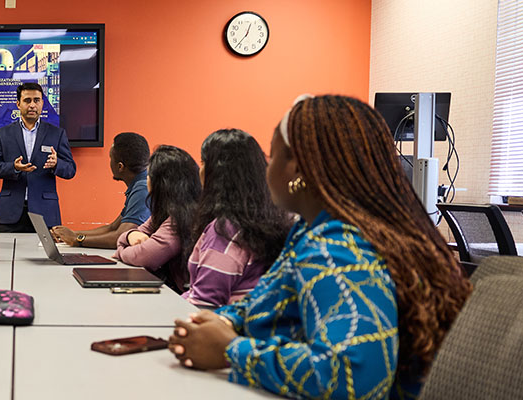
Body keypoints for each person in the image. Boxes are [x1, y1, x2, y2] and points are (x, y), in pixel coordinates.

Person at [167, 95, 471, 398]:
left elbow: (353, 378)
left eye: (272, 156)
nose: (266, 169)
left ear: (297, 170)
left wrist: (232, 350)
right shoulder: (311, 230)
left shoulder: (338, 247)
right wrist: (224, 321)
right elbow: (269, 300)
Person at [179, 129, 291, 307]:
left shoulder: (225, 230)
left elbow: (204, 304)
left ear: (215, 172)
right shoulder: (271, 218)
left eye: (203, 162)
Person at [0, 83, 76, 233]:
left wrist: (56, 164)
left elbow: (70, 169)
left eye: (37, 100)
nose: (32, 105)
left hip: (45, 212)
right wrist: (13, 167)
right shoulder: (2, 134)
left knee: (44, 256)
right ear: (18, 104)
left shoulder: (56, 133)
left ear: (42, 103)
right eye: (27, 101)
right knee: (6, 256)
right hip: (10, 213)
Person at [113, 144, 200, 292]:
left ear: (161, 183)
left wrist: (120, 251)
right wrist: (130, 236)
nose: (146, 179)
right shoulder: (166, 212)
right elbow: (126, 235)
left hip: (188, 300)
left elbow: (145, 257)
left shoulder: (181, 218)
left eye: (149, 175)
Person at [51, 132, 150, 248]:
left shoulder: (143, 189)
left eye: (110, 158)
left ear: (120, 167)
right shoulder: (139, 185)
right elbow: (112, 227)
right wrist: (72, 234)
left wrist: (77, 240)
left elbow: (120, 237)